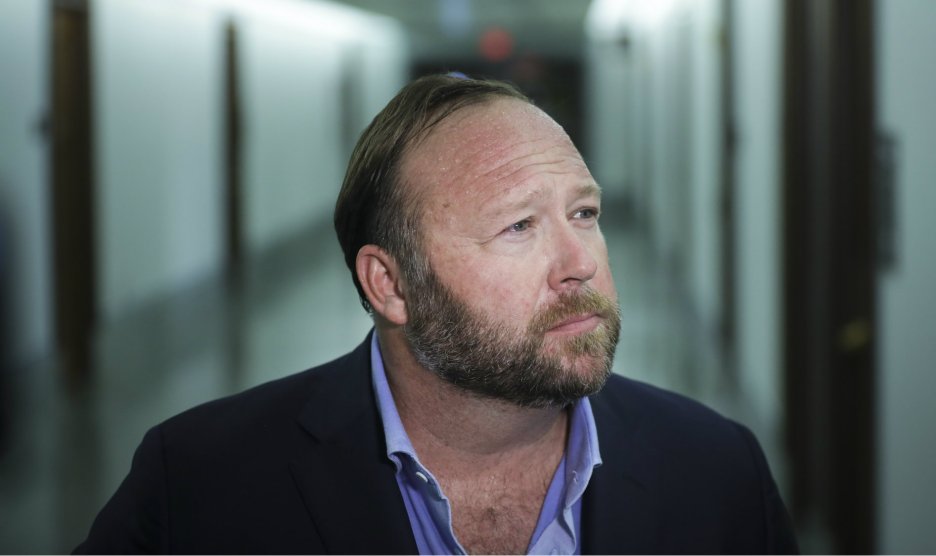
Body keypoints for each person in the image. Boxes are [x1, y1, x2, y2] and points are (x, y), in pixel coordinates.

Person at [75, 74, 798, 554]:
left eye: (584, 212)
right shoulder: (201, 484)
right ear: (390, 284)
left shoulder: (717, 470)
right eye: (518, 226)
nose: (580, 261)